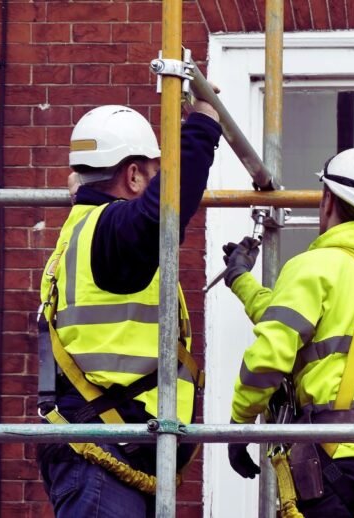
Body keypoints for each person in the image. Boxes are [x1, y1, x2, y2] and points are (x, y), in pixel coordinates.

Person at [37, 100, 221, 517]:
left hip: (106, 445)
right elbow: (164, 208)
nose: (158, 181)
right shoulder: (111, 231)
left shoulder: (89, 227)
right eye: (151, 172)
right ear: (133, 174)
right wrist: (203, 124)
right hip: (102, 449)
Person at [222, 147, 354, 517]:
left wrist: (239, 425)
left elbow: (269, 356)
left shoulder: (313, 266)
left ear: (328, 199)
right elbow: (292, 316)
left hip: (334, 468)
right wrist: (241, 281)